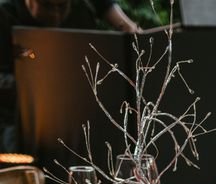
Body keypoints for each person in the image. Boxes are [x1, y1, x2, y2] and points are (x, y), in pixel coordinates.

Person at [0, 0, 139, 151]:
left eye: (62, 7)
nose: (55, 13)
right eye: (47, 6)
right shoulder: (6, 16)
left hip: (80, 118)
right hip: (23, 119)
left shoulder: (82, 13)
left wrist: (128, 28)